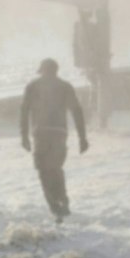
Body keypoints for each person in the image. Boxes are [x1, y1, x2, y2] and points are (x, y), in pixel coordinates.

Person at [19, 58, 88, 222]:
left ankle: (56, 208)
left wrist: (24, 136)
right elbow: (77, 111)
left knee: (44, 171)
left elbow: (24, 111)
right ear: (56, 71)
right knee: (55, 169)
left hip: (41, 134)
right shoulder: (65, 87)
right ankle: (62, 202)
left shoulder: (32, 86)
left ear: (42, 70)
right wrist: (82, 137)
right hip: (59, 133)